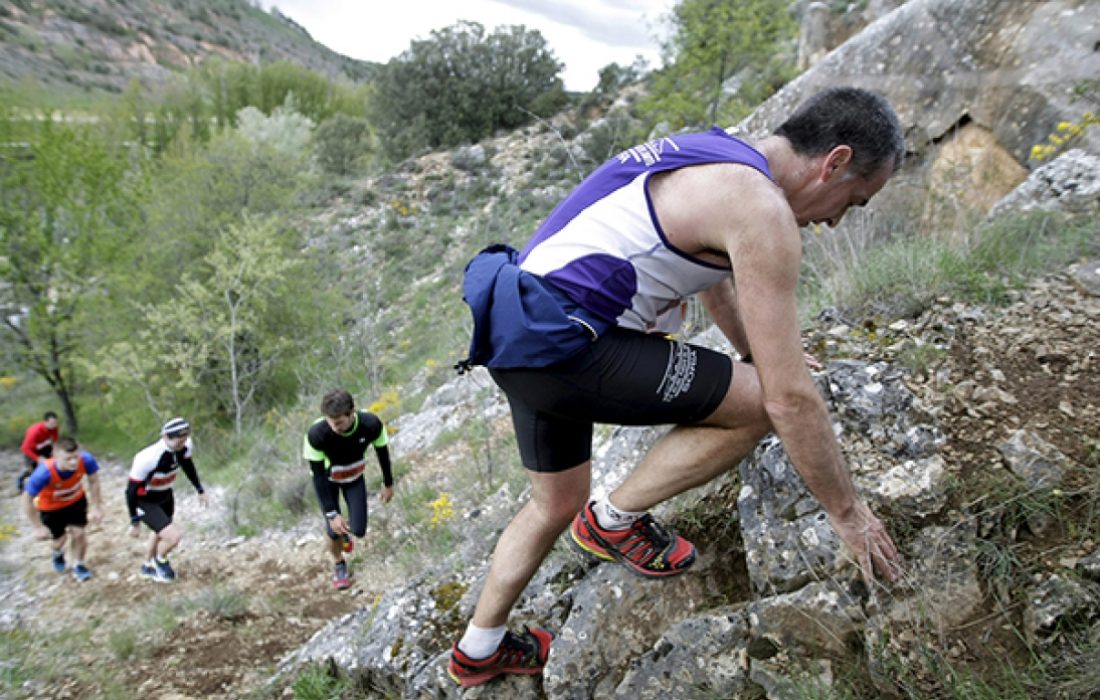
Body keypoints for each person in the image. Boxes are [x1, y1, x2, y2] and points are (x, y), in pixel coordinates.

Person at [448, 87, 906, 687]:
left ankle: (478, 649)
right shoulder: (760, 210)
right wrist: (847, 513)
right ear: (836, 161)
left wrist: (749, 350)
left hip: (518, 330)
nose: (837, 218)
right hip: (566, 348)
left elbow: (708, 276)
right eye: (855, 200)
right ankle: (613, 520)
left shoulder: (714, 152)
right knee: (756, 408)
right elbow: (788, 399)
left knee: (553, 503)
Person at [303, 388, 395, 590]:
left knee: (359, 530)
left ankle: (346, 534)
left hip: (354, 478)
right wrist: (332, 514)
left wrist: (388, 483)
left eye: (339, 423)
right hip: (327, 482)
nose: (334, 427)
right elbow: (317, 476)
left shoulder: (370, 424)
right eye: (329, 421)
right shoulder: (316, 434)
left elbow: (382, 453)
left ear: (351, 413)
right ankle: (339, 564)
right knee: (333, 529)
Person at [126, 417, 208, 583]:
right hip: (146, 500)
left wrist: (199, 489)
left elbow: (187, 465)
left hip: (165, 495)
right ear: (166, 437)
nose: (182, 442)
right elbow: (130, 491)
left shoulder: (185, 446)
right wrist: (134, 521)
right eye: (179, 439)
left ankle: (147, 566)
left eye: (185, 439)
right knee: (173, 536)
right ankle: (160, 559)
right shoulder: (147, 458)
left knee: (159, 532)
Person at [22, 436, 103, 582]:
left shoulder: (86, 460)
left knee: (79, 534)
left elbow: (94, 481)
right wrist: (37, 527)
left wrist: (96, 507)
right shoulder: (43, 474)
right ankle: (57, 552)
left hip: (76, 502)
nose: (73, 462)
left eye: (75, 457)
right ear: (56, 455)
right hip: (51, 509)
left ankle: (78, 565)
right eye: (68, 458)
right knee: (60, 539)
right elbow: (27, 499)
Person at [17, 411, 60, 493]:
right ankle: (21, 480)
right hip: (30, 451)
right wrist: (37, 458)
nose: (54, 425)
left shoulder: (54, 427)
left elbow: (55, 441)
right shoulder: (35, 431)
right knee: (35, 471)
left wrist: (56, 452)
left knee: (52, 465)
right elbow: (25, 448)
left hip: (44, 447)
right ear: (45, 422)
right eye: (52, 423)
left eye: (55, 422)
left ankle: (50, 485)